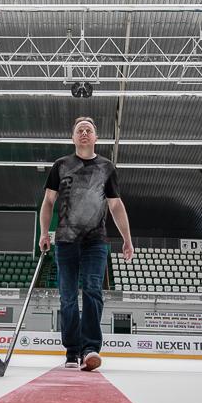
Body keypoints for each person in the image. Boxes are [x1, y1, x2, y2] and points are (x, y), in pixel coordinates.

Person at [39, 117, 134, 371]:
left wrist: (127, 239)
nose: (84, 133)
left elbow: (115, 205)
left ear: (96, 137)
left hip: (95, 241)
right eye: (79, 130)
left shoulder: (106, 167)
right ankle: (72, 350)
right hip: (66, 241)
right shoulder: (60, 166)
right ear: (73, 138)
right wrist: (44, 233)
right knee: (68, 296)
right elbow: (48, 202)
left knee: (93, 291)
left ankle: (90, 348)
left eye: (88, 130)